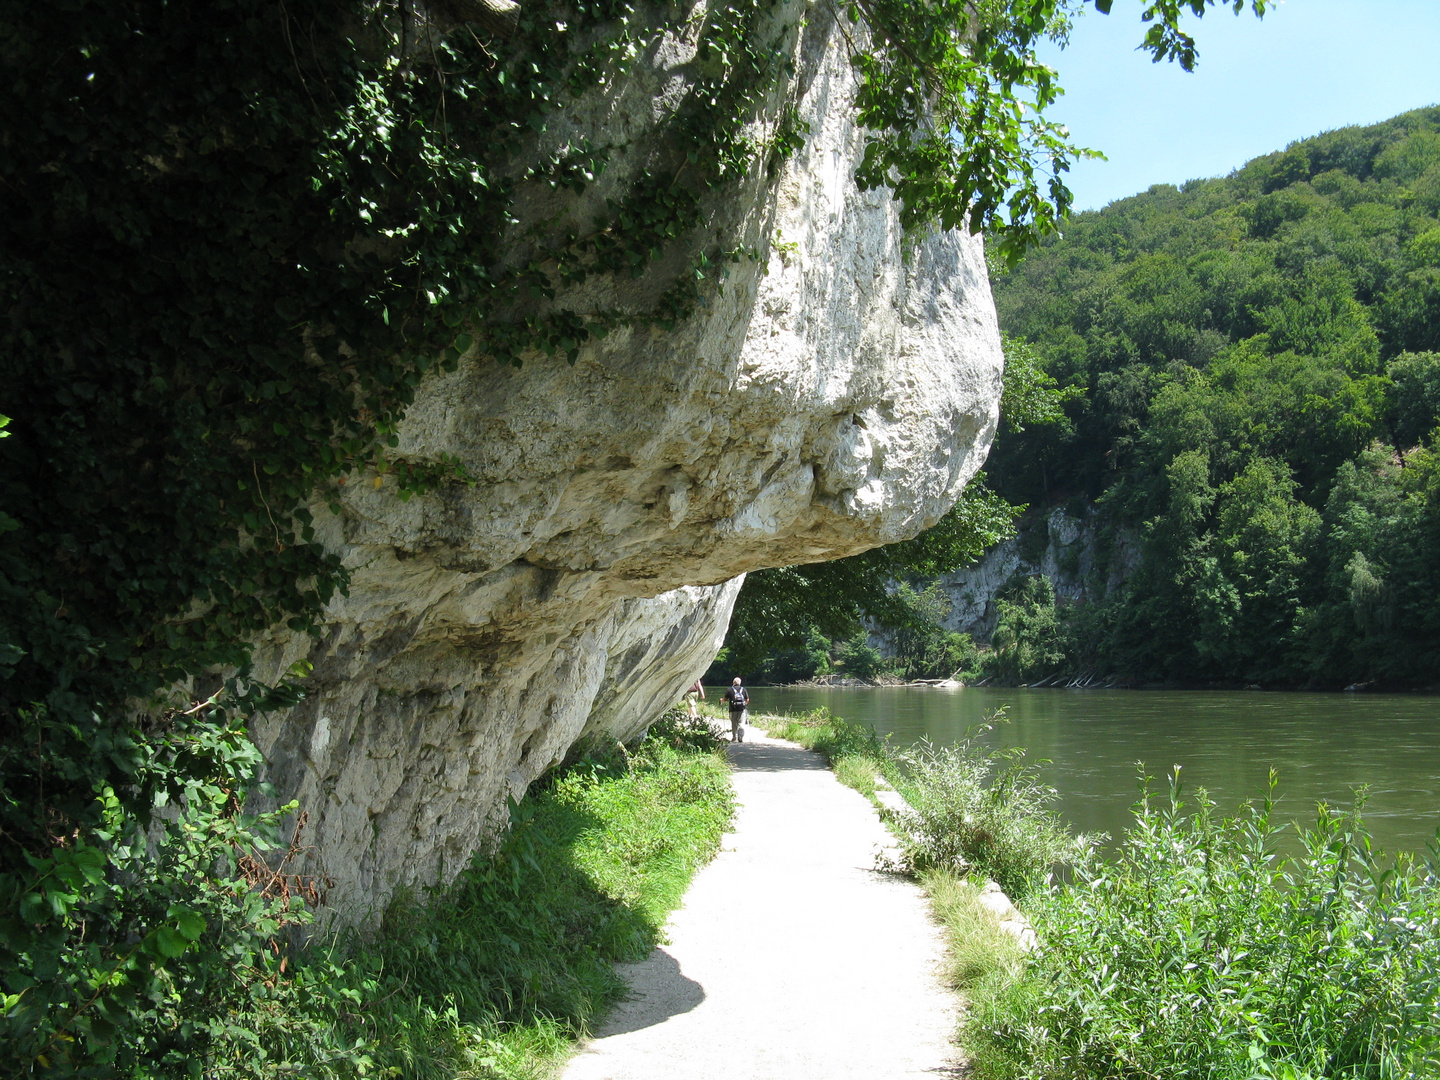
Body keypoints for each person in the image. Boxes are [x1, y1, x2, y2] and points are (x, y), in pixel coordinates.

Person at [722, 677, 749, 742]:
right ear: (740, 683)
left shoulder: (729, 689)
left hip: (733, 709)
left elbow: (724, 700)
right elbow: (747, 700)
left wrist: (721, 700)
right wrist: (744, 704)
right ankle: (740, 737)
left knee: (734, 723)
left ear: (733, 683)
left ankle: (734, 737)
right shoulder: (743, 689)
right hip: (742, 709)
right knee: (741, 723)